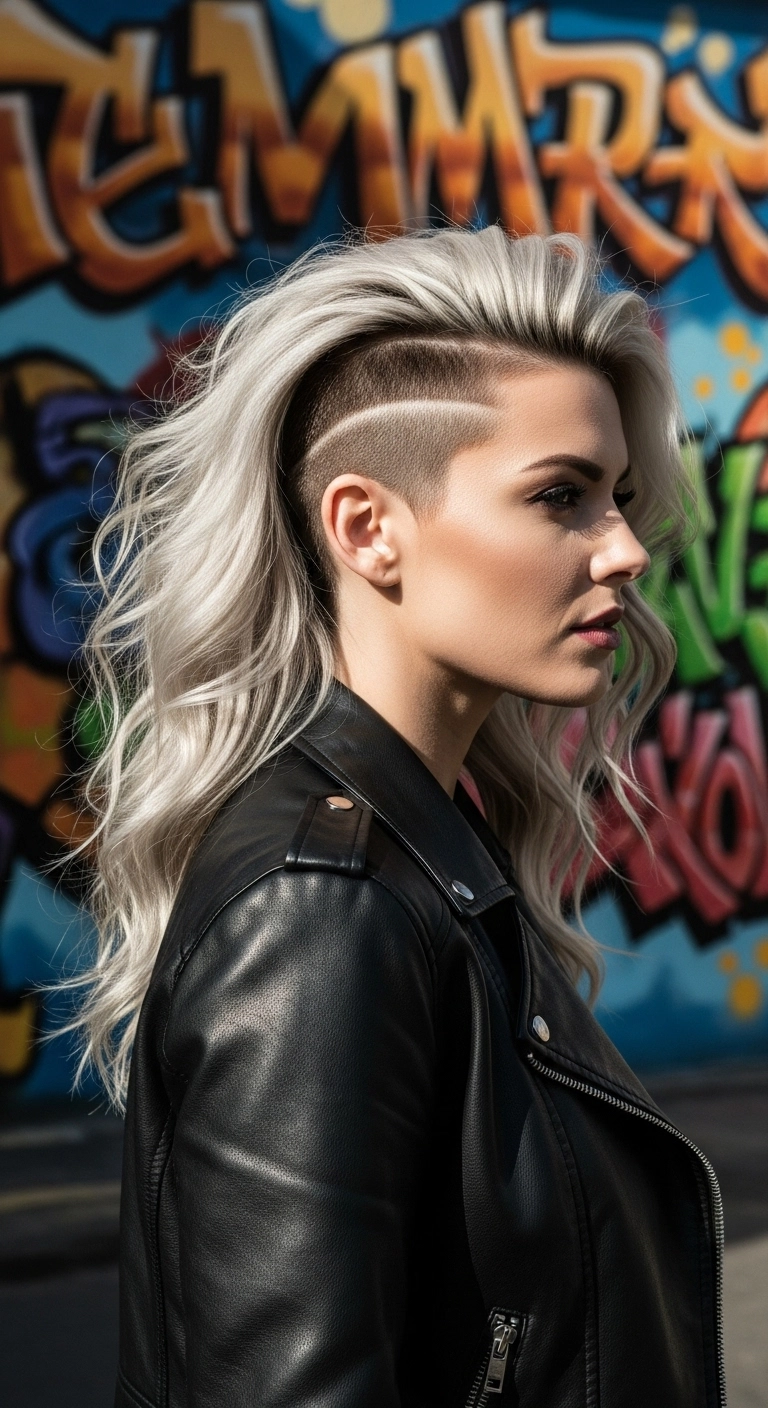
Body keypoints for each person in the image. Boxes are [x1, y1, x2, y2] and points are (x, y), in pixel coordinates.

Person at [71, 226, 724, 1408]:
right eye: (562, 496)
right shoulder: (323, 908)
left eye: (619, 498)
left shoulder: (431, 849)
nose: (626, 549)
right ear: (368, 527)